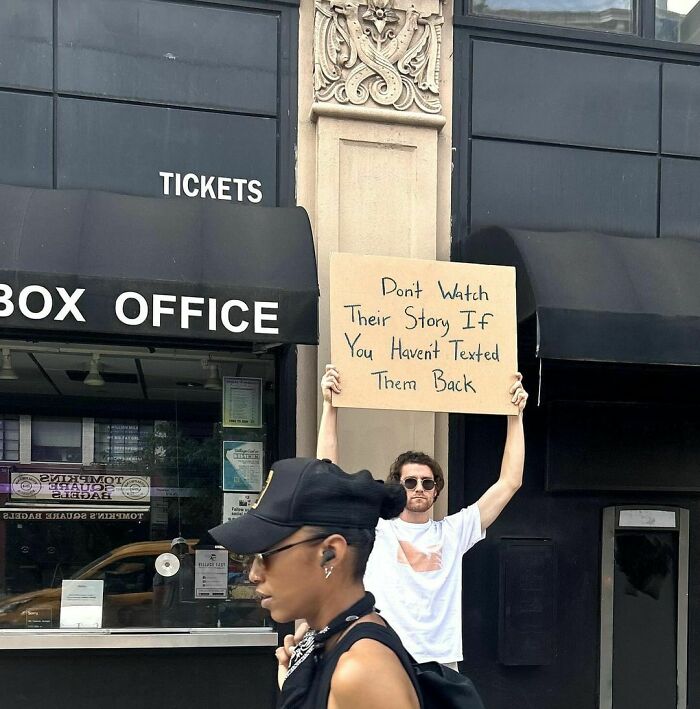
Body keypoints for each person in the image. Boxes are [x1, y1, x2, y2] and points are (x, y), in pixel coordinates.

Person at [317, 364, 527, 669]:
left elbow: (510, 481)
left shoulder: (454, 532)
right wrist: (329, 406)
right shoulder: (378, 528)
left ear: (436, 490)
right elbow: (327, 477)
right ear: (397, 485)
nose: (419, 489)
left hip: (440, 661)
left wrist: (514, 415)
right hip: (386, 656)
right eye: (410, 482)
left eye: (427, 483)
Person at [209, 457, 422, 709]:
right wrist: (298, 685)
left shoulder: (361, 671)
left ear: (329, 553)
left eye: (265, 554)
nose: (254, 574)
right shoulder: (333, 639)